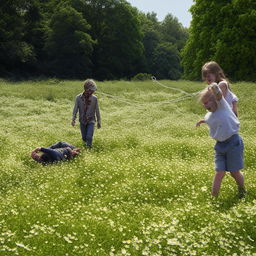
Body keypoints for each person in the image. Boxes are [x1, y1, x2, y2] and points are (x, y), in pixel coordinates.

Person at [196, 83, 246, 198]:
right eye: (204, 103)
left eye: (207, 102)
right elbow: (212, 119)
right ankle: (214, 198)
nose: (205, 105)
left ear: (215, 100)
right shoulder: (209, 115)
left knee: (234, 172)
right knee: (219, 173)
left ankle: (242, 190)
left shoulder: (222, 105)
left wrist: (214, 86)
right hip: (219, 146)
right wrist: (202, 121)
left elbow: (218, 93)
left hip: (233, 143)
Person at [71, 79, 101, 148]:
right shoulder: (78, 98)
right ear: (86, 89)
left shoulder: (94, 98)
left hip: (91, 120)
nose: (93, 92)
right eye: (91, 90)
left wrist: (99, 121)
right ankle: (85, 148)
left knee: (89, 137)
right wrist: (73, 119)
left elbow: (97, 110)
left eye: (93, 90)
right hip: (82, 120)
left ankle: (89, 149)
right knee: (84, 138)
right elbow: (75, 109)